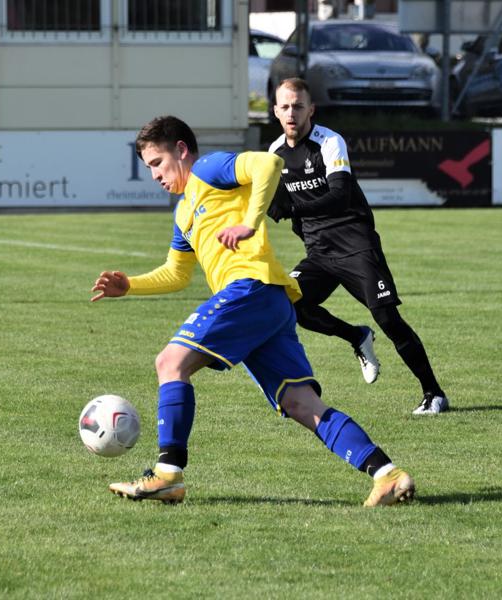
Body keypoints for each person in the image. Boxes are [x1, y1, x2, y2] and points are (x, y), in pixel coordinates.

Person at [91, 115, 415, 506]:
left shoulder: (209, 169)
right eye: (149, 169)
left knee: (170, 363)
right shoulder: (184, 212)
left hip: (251, 288)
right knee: (301, 404)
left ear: (181, 150)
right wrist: (131, 286)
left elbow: (268, 164)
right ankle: (387, 475)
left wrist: (249, 222)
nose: (155, 175)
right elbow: (177, 273)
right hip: (269, 303)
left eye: (158, 163)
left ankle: (167, 474)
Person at [267, 77, 449, 415]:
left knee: (387, 317)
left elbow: (339, 196)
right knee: (290, 305)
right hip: (319, 252)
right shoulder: (274, 153)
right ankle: (355, 336)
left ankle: (433, 393)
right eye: (285, 106)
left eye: (299, 106)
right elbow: (275, 204)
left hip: (355, 243)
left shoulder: (330, 141)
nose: (292, 113)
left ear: (311, 109)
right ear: (276, 110)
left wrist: (293, 209)